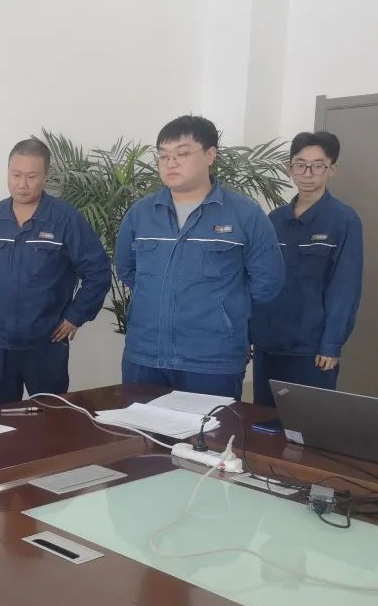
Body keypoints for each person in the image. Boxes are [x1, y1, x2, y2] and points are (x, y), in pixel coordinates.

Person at [115, 115, 284, 399]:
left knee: (212, 428)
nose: (170, 163)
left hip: (212, 360)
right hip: (145, 355)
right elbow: (127, 269)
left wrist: (224, 311)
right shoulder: (141, 213)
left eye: (181, 154)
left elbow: (268, 280)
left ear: (210, 155)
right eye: (163, 156)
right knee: (141, 427)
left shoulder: (245, 214)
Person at [0, 138, 111, 400]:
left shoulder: (65, 218)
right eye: (15, 175)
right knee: (1, 415)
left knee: (51, 416)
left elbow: (98, 271)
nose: (22, 184)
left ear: (46, 176)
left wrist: (76, 316)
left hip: (47, 344)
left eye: (31, 176)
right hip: (0, 343)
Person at [250, 132, 363, 406]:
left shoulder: (343, 220)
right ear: (290, 169)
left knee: (308, 423)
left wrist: (331, 344)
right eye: (300, 165)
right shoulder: (274, 219)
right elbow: (257, 279)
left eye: (317, 166)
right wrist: (248, 335)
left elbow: (345, 287)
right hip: (268, 344)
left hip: (311, 350)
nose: (308, 174)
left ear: (331, 169)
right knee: (263, 421)